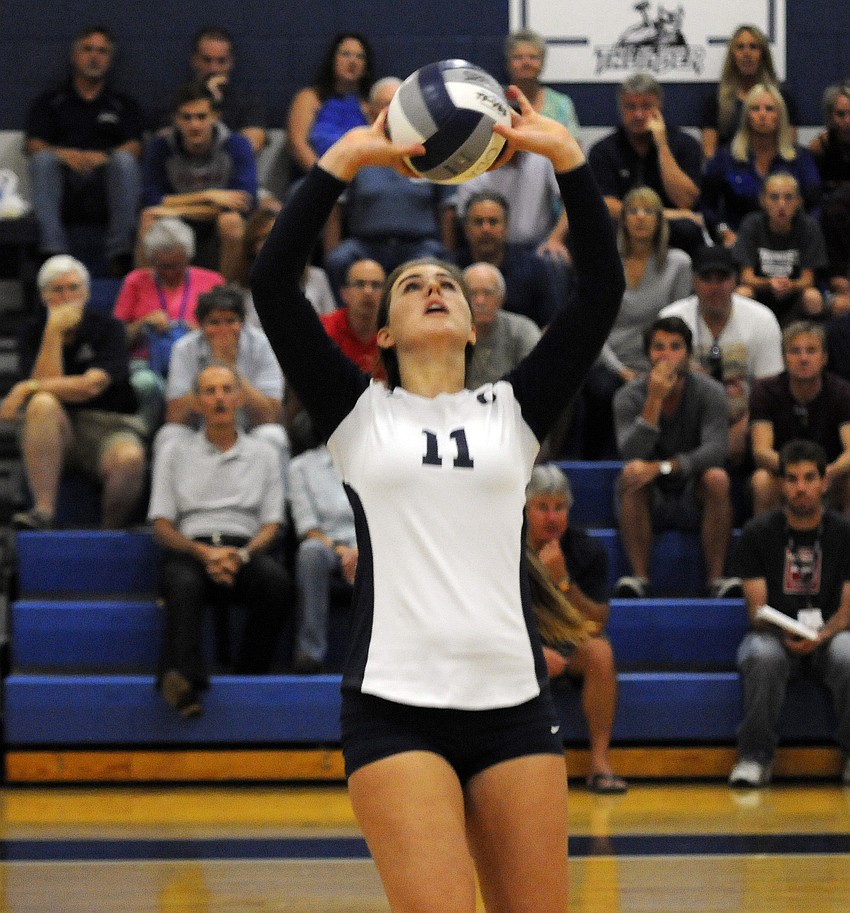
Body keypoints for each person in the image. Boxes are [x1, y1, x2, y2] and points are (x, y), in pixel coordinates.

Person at [250, 87, 624, 913]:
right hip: (395, 707)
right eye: (411, 282)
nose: (433, 287)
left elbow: (600, 287)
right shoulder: (358, 414)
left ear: (470, 324)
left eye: (446, 283)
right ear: (379, 332)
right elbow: (274, 285)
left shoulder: (513, 411)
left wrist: (566, 159)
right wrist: (342, 162)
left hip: (514, 705)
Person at [149, 362, 291, 719]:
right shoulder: (174, 453)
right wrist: (204, 553)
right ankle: (188, 687)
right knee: (181, 582)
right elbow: (162, 526)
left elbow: (272, 525)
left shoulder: (264, 454)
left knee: (277, 583)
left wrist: (239, 557)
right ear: (196, 403)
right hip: (191, 549)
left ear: (241, 398)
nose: (220, 398)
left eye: (227, 390)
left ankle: (249, 675)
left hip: (244, 549)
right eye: (210, 391)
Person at [729, 439, 850, 788]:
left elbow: (847, 610)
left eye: (809, 478)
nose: (801, 488)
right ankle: (754, 757)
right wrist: (787, 632)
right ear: (781, 485)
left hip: (831, 636)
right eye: (793, 479)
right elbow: (757, 610)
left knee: (848, 652)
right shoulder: (757, 534)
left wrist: (821, 635)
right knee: (760, 654)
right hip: (775, 636)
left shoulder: (844, 534)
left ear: (825, 483)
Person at [0, 255, 146, 530]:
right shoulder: (32, 331)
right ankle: (43, 512)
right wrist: (53, 332)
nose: (67, 297)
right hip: (52, 429)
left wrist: (26, 386)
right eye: (57, 290)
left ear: (87, 292)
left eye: (74, 288)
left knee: (130, 459)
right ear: (43, 296)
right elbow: (46, 392)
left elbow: (91, 386)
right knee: (43, 403)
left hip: (107, 426)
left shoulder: (109, 329)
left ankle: (109, 532)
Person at [612, 316, 741, 599]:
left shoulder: (711, 392)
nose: (666, 354)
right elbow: (631, 452)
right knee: (632, 474)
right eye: (659, 347)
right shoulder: (627, 396)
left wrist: (663, 467)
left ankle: (716, 580)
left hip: (693, 490)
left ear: (688, 354)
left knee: (718, 478)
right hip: (650, 496)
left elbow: (716, 450)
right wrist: (654, 400)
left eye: (675, 346)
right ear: (648, 354)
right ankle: (639, 579)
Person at [525, 464, 627, 793]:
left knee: (600, 652)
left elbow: (595, 624)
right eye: (542, 507)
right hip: (516, 642)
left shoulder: (586, 550)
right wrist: (533, 653)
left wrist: (563, 582)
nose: (552, 517)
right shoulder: (504, 548)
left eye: (560, 508)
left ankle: (599, 761)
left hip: (568, 640)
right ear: (524, 510)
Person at [582, 185, 693, 459]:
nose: (640, 217)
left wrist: (661, 366)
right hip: (610, 359)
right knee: (600, 388)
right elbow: (595, 327)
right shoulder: (605, 262)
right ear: (623, 219)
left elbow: (679, 324)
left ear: (660, 220)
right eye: (632, 211)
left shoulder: (678, 263)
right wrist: (621, 370)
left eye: (648, 211)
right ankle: (596, 466)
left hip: (660, 358)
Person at [25, 25, 142, 275]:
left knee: (124, 162)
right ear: (74, 56)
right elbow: (33, 145)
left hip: (105, 183)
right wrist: (65, 155)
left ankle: (120, 254)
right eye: (87, 49)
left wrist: (105, 157)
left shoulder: (122, 104)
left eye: (102, 51)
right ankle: (54, 252)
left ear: (110, 59)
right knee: (42, 160)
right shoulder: (51, 101)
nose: (94, 56)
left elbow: (134, 146)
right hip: (65, 182)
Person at [323, 77, 454, 297]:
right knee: (339, 260)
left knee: (439, 261)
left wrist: (448, 251)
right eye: (384, 104)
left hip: (419, 246)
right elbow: (336, 206)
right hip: (365, 247)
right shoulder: (356, 149)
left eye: (396, 104)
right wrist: (330, 250)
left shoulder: (429, 149)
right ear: (370, 110)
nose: (390, 110)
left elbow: (447, 207)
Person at [660, 245, 784, 466]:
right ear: (694, 281)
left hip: (745, 425)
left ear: (735, 280)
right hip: (685, 427)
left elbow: (770, 394)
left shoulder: (762, 319)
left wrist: (740, 430)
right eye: (706, 278)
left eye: (722, 278)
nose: (715, 287)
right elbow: (662, 386)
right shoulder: (672, 318)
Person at [158, 285, 288, 478]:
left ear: (243, 323)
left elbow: (271, 415)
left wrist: (231, 369)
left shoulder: (262, 345)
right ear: (201, 326)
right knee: (169, 435)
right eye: (214, 322)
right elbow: (175, 416)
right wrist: (213, 372)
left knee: (273, 436)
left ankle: (279, 507)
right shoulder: (184, 348)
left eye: (230, 321)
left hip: (249, 429)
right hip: (200, 429)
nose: (223, 330)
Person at [114, 217, 225, 433]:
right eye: (163, 266)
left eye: (178, 265)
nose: (171, 272)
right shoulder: (135, 281)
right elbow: (116, 338)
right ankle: (144, 436)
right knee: (145, 383)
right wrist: (142, 324)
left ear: (189, 257)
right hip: (146, 363)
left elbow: (228, 333)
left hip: (199, 361)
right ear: (151, 260)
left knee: (206, 383)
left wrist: (200, 331)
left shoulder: (212, 281)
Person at [139, 83, 257, 281]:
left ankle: (228, 297)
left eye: (201, 117)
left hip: (215, 226)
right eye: (186, 117)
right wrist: (209, 196)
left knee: (232, 222)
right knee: (148, 218)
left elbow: (245, 202)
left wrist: (172, 206)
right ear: (176, 119)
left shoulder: (237, 145)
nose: (194, 125)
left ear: (215, 117)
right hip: (174, 225)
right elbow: (150, 200)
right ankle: (145, 298)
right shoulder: (159, 148)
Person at [588, 72, 704, 257]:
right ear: (621, 110)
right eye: (631, 107)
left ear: (659, 107)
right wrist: (665, 214)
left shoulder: (685, 144)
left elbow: (686, 201)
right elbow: (606, 204)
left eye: (646, 106)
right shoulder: (603, 150)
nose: (639, 114)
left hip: (671, 231)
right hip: (624, 227)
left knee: (688, 229)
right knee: (599, 228)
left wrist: (662, 145)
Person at [701, 83, 821, 246]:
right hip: (738, 241)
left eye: (770, 109)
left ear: (780, 116)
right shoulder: (725, 157)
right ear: (746, 116)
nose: (762, 115)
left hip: (790, 241)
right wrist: (723, 231)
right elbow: (707, 205)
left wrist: (802, 235)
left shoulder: (799, 158)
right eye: (755, 109)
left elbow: (815, 205)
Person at [750, 321, 850, 515]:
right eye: (795, 351)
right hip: (784, 474)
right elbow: (761, 451)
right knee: (761, 481)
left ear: (824, 358)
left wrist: (823, 473)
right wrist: (798, 474)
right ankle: (766, 545)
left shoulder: (843, 393)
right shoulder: (765, 392)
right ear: (784, 359)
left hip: (829, 476)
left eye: (811, 351)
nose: (803, 358)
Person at [288, 437, 357, 674]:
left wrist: (363, 550)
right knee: (310, 553)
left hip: (372, 543)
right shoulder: (301, 466)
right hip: (327, 545)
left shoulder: (378, 459)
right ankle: (309, 652)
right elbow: (308, 528)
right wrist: (343, 551)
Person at [452, 191, 560, 327]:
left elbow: (551, 323)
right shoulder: (451, 271)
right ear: (466, 229)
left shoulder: (534, 268)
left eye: (493, 222)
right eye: (478, 222)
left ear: (506, 226)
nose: (486, 229)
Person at [733, 173, 828, 324]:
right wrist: (770, 283)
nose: (781, 204)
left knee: (813, 297)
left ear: (798, 201)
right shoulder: (751, 224)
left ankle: (811, 342)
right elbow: (746, 277)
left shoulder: (809, 227)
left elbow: (808, 279)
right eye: (774, 197)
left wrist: (790, 285)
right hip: (760, 296)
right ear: (762, 200)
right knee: (742, 293)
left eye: (789, 197)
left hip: (794, 298)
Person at [700, 24, 799, 159]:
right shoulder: (715, 101)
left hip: (774, 172)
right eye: (740, 47)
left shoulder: (782, 98)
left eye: (753, 47)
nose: (747, 53)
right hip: (729, 173)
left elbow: (789, 146)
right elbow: (709, 152)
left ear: (763, 55)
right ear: (732, 56)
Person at [286, 32, 373, 177]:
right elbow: (297, 144)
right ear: (333, 60)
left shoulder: (369, 106)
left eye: (360, 57)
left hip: (362, 182)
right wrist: (324, 181)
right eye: (345, 54)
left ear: (366, 66)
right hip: (315, 179)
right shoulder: (309, 98)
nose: (353, 61)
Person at [187, 26, 268, 156]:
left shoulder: (249, 101)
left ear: (230, 63)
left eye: (221, 61)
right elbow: (167, 147)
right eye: (206, 60)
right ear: (194, 61)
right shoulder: (176, 100)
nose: (213, 69)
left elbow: (252, 145)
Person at [462, 262, 540, 389]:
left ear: (502, 298)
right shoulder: (452, 334)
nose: (480, 301)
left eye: (488, 293)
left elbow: (535, 378)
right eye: (472, 293)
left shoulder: (523, 330)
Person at [811, 81, 850, 314]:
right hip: (833, 214)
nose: (847, 120)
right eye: (841, 114)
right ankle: (833, 280)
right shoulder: (820, 147)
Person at [504, 28, 581, 142]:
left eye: (533, 57)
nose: (526, 63)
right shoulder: (496, 101)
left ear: (543, 63)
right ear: (508, 63)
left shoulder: (561, 104)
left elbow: (575, 150)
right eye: (518, 57)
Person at [320, 258, 386, 378]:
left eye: (376, 285)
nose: (368, 292)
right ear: (345, 293)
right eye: (360, 284)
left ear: (386, 294)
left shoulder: (396, 333)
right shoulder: (324, 330)